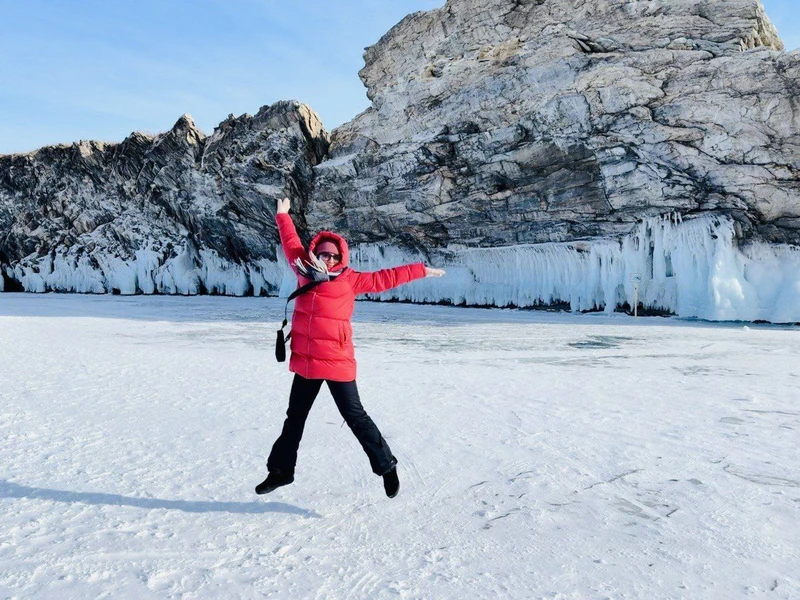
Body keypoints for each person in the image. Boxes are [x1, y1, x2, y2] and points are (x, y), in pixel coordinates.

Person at [256, 197, 445, 498]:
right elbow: (290, 241)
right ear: (314, 253)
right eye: (322, 254)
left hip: (337, 361)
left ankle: (386, 467)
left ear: (340, 257)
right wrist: (282, 215)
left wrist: (422, 270)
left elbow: (388, 278)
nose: (327, 259)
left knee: (355, 416)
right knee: (295, 418)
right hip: (306, 362)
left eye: (332, 256)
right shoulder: (303, 271)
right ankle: (280, 472)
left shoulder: (350, 280)